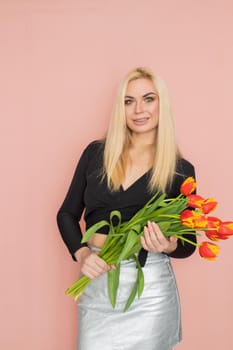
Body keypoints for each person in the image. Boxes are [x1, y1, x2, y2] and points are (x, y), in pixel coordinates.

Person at [56, 67, 196, 350]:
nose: (138, 109)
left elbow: (188, 243)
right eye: (128, 101)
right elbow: (67, 215)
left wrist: (167, 245)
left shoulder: (181, 171)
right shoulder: (96, 154)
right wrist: (82, 253)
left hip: (149, 292)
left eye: (148, 99)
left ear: (161, 104)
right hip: (97, 280)